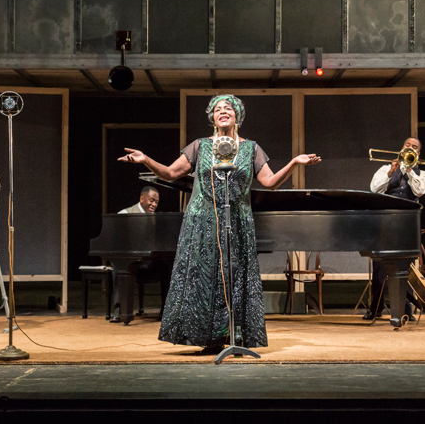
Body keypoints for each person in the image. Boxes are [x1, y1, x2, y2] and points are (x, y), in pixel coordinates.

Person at [118, 94, 320, 352]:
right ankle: (206, 337)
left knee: (235, 276)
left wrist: (294, 162)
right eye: (217, 109)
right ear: (212, 118)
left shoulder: (251, 148)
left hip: (237, 222)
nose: (222, 112)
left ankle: (233, 336)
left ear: (237, 116)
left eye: (228, 109)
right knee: (204, 277)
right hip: (201, 223)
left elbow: (269, 182)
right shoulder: (200, 146)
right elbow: (170, 173)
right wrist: (145, 159)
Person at [365, 137, 425, 322]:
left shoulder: (422, 173)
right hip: (385, 222)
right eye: (407, 145)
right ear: (401, 147)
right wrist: (390, 173)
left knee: (406, 267)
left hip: (407, 224)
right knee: (379, 267)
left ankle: (404, 310)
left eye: (414, 147)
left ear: (418, 153)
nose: (410, 148)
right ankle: (375, 308)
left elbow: (419, 192)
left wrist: (409, 171)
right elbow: (374, 190)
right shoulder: (385, 168)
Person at [111, 186, 166, 323]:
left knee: (168, 264)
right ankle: (119, 309)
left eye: (156, 202)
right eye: (151, 200)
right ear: (142, 199)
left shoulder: (157, 219)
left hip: (149, 261)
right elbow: (116, 241)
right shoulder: (125, 214)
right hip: (131, 261)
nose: (154, 204)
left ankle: (166, 309)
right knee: (119, 265)